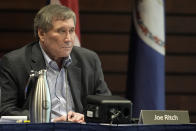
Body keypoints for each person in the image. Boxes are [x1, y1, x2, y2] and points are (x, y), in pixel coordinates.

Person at [0, 4, 111, 123]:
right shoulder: (14, 62)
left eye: (72, 31)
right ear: (42, 34)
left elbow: (106, 104)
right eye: (61, 31)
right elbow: (6, 109)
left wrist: (86, 117)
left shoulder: (89, 60)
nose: (68, 39)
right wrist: (49, 121)